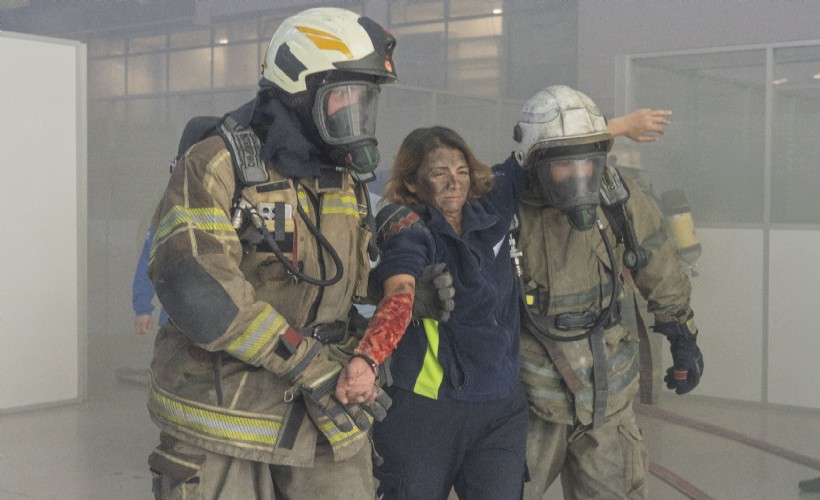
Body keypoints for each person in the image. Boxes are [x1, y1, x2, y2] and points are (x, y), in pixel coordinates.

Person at [145, 8, 401, 498]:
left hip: (325, 410)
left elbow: (340, 282)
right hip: (222, 418)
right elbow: (201, 292)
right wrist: (310, 365)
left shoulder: (343, 178)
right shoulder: (215, 164)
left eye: (363, 101)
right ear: (300, 91)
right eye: (342, 97)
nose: (356, 116)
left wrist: (394, 297)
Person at [510, 86, 703, 500]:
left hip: (608, 398)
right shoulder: (506, 209)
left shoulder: (618, 198)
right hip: (529, 404)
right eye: (564, 164)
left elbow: (658, 262)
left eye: (588, 162)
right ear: (536, 164)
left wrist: (681, 335)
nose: (579, 175)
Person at [335, 125, 530, 500]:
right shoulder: (409, 230)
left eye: (461, 172)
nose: (454, 183)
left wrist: (620, 127)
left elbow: (526, 161)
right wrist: (368, 359)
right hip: (425, 413)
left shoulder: (491, 211)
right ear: (412, 183)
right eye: (439, 174)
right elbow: (400, 294)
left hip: (500, 408)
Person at [132, 226, 169, 335]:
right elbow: (149, 263)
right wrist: (142, 307)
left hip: (214, 321)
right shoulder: (168, 214)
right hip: (175, 323)